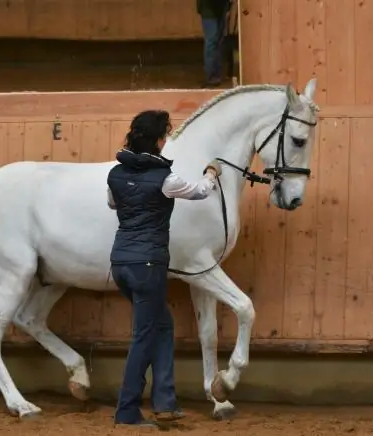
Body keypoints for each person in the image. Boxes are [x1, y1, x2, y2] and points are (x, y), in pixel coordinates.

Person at [106, 109, 222, 428]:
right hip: (148, 264)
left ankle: (165, 401)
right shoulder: (165, 179)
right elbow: (200, 191)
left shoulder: (115, 174)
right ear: (159, 141)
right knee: (144, 335)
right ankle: (127, 409)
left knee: (162, 325)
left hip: (121, 263)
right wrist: (212, 173)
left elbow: (113, 204)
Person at [197, 0, 231, 87]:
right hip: (209, 7)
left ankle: (216, 75)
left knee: (217, 41)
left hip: (220, 7)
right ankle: (211, 76)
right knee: (212, 41)